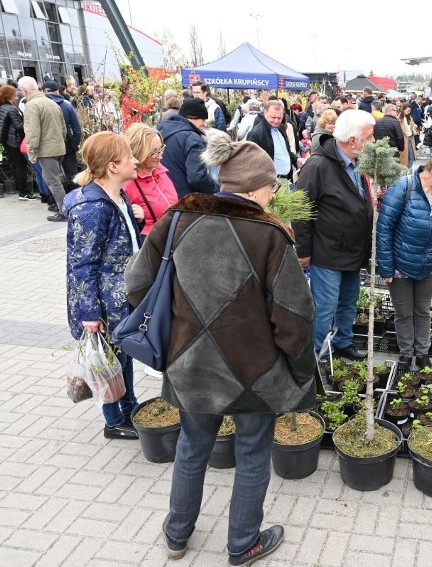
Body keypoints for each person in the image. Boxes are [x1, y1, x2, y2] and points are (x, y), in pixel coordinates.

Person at [125, 129, 314, 565]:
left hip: (189, 363)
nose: (273, 192)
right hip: (255, 370)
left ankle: (176, 537)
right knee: (251, 453)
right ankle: (242, 543)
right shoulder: (270, 236)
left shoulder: (176, 219)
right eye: (271, 185)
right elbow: (294, 318)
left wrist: (180, 330)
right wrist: (300, 370)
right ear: (257, 186)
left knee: (192, 447)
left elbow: (136, 284)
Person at [64, 132, 144, 439]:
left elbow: (116, 244)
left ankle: (130, 406)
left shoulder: (116, 196)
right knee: (109, 360)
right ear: (113, 166)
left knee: (121, 354)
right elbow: (82, 265)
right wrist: (90, 313)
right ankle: (114, 420)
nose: (136, 160)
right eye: (129, 157)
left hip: (120, 294)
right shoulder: (92, 207)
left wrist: (132, 222)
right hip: (105, 300)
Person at [293, 109, 376, 360]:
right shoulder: (318, 166)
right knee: (325, 306)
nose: (373, 142)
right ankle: (316, 355)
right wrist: (304, 251)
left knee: (349, 302)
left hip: (353, 250)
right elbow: (300, 211)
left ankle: (343, 343)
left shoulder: (357, 163)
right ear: (353, 141)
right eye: (370, 137)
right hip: (328, 253)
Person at [377, 150, 432, 372]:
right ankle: (405, 355)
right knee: (404, 312)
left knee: (422, 311)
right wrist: (386, 267)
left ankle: (422, 355)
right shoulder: (403, 188)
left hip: (430, 266)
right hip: (400, 265)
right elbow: (384, 230)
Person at [19, 76, 69, 221]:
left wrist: (32, 151)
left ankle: (65, 211)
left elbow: (32, 132)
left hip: (46, 150)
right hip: (58, 147)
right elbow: (63, 128)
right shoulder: (51, 102)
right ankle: (65, 209)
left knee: (54, 182)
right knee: (55, 179)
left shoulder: (32, 105)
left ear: (24, 90)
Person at [122, 123, 179, 239]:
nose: (160, 156)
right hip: (152, 243)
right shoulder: (128, 183)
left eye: (161, 150)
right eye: (153, 152)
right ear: (138, 153)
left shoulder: (160, 171)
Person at [157, 98, 217, 197]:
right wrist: (215, 189)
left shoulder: (160, 132)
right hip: (185, 202)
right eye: (203, 119)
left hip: (163, 196)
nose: (205, 123)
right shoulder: (193, 139)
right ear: (193, 117)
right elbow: (197, 178)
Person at [246, 100, 299, 183]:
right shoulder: (256, 134)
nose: (276, 121)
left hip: (286, 179)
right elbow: (251, 163)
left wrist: (296, 160)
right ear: (265, 113)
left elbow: (285, 151)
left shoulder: (281, 128)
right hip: (270, 182)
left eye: (279, 118)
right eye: (273, 117)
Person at [0, 85, 36, 200]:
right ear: (9, 95)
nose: (16, 96)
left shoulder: (3, 107)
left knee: (16, 166)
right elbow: (19, 126)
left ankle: (21, 191)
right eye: (14, 94)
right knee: (20, 166)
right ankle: (24, 192)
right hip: (15, 141)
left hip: (7, 141)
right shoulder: (11, 109)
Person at [44, 81, 82, 186]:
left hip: (48, 145)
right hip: (67, 142)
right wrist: (75, 142)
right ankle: (77, 198)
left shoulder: (41, 106)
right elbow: (77, 128)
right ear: (57, 91)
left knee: (52, 177)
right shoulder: (66, 105)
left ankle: (54, 200)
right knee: (72, 174)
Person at [398, 104, 417, 169]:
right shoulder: (399, 119)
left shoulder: (409, 117)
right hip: (404, 139)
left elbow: (412, 125)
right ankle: (406, 172)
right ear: (403, 110)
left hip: (410, 138)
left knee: (411, 157)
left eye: (410, 111)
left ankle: (408, 171)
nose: (409, 112)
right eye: (408, 110)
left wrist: (414, 126)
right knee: (404, 158)